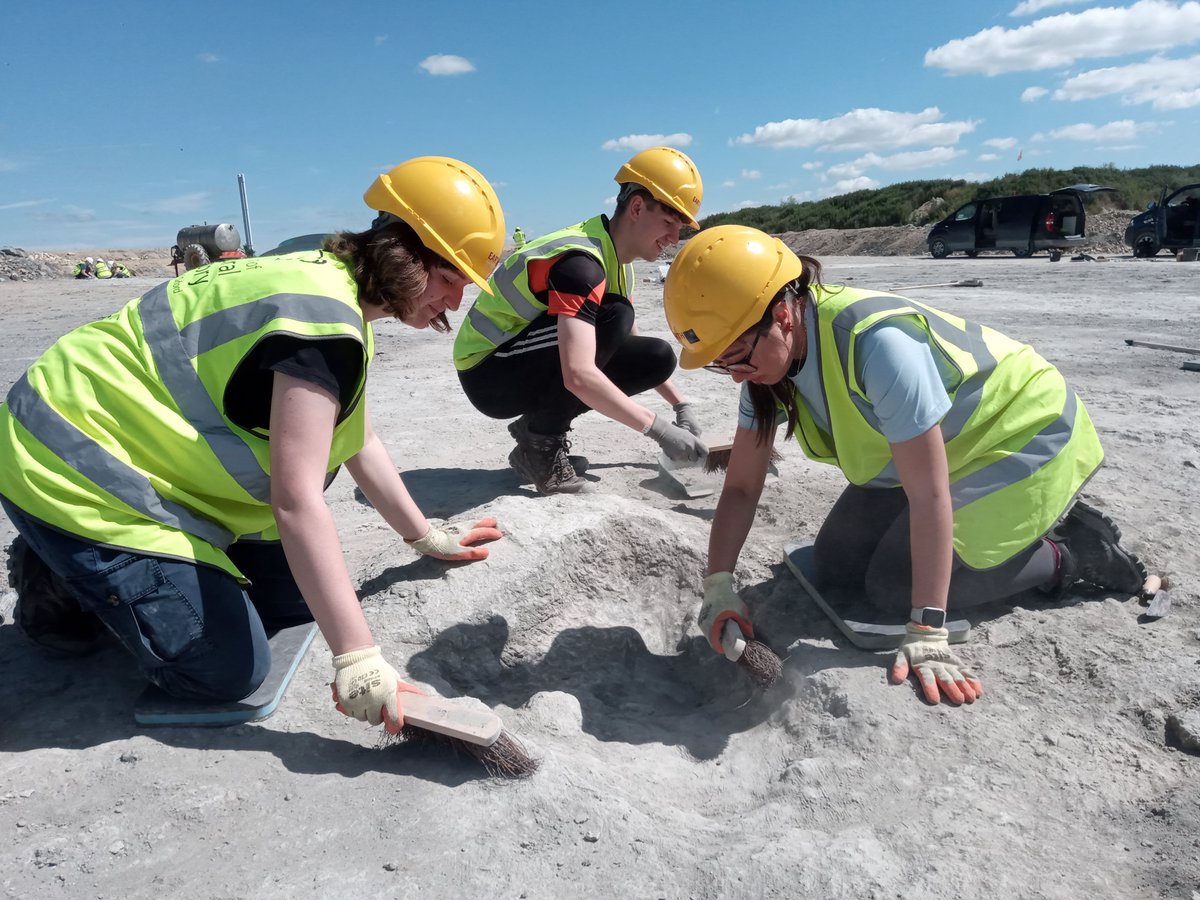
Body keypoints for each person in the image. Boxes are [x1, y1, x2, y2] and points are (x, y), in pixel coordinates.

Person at [0, 155, 508, 733]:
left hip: (143, 453)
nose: (455, 302)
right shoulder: (322, 321)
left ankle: (146, 567)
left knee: (294, 602)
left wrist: (426, 536)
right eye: (448, 279)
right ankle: (57, 575)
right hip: (67, 458)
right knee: (225, 668)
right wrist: (358, 658)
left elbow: (355, 437)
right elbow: (295, 501)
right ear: (402, 252)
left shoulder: (336, 293)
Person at [662, 224, 1148, 706]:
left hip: (1018, 434)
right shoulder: (765, 369)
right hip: (937, 449)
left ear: (783, 314)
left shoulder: (877, 344)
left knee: (894, 587)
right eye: (721, 363)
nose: (735, 377)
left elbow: (929, 495)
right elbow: (742, 488)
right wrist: (718, 584)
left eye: (738, 357)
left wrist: (928, 629)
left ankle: (1069, 552)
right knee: (834, 563)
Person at [454, 146, 708, 494]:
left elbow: (629, 344)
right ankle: (541, 445)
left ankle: (535, 431)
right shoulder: (581, 264)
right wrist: (659, 430)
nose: (674, 238)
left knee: (656, 357)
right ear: (636, 208)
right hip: (488, 372)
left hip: (516, 361)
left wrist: (680, 406)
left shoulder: (618, 264)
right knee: (614, 315)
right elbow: (578, 374)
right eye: (669, 223)